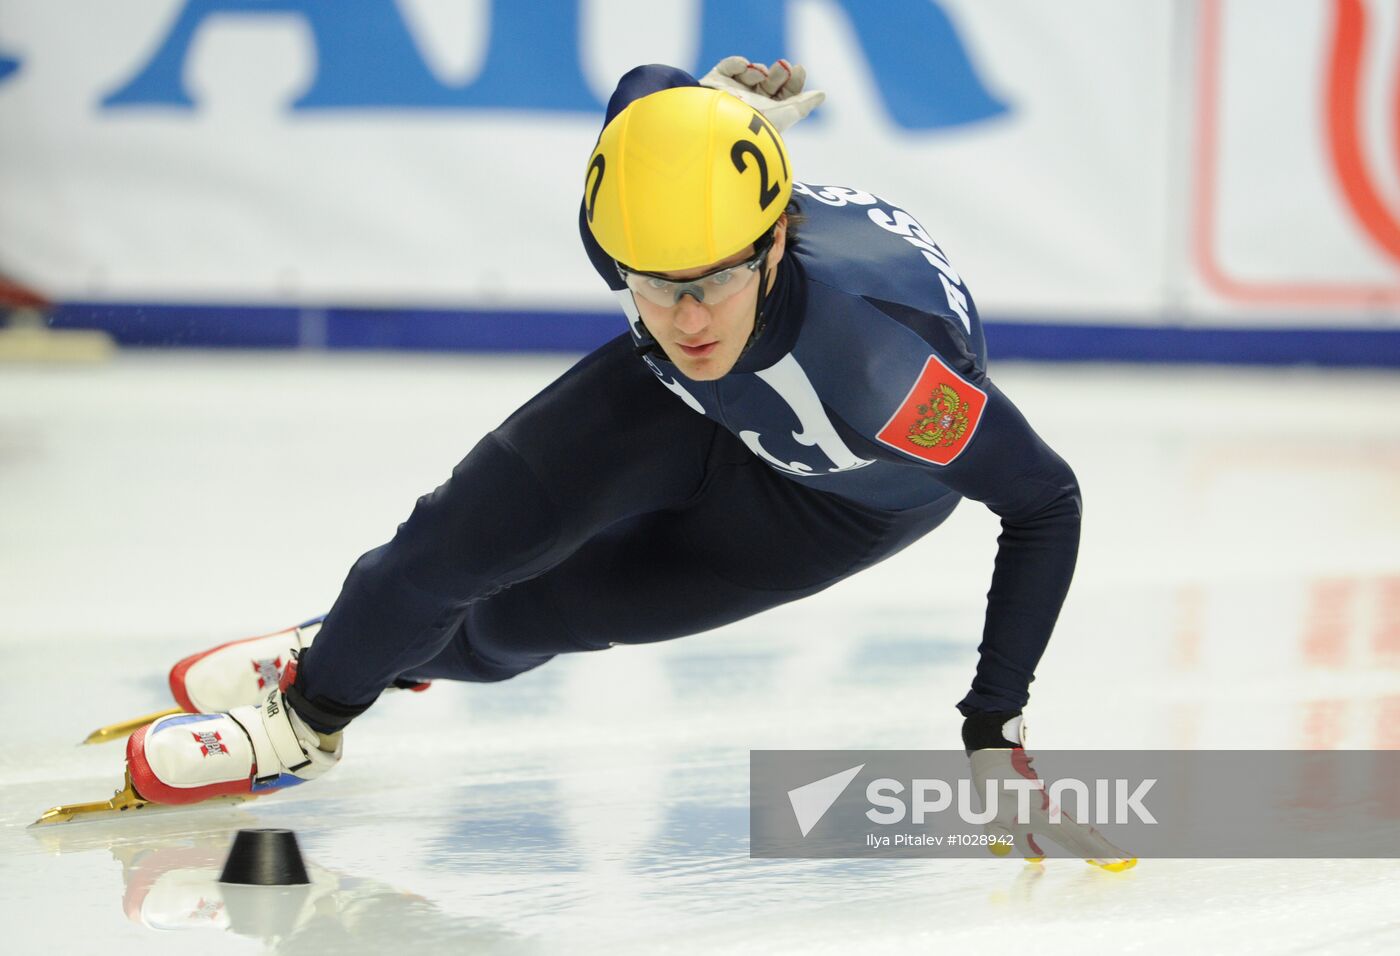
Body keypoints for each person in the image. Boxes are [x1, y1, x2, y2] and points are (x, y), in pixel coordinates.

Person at [123, 59, 1123, 865]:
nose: (686, 318)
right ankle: (306, 714)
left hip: (833, 505)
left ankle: (370, 648)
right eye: (653, 285)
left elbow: (1044, 501)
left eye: (713, 282)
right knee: (445, 543)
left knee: (536, 614)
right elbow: (644, 88)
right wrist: (706, 103)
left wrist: (991, 725)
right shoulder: (635, 223)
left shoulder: (883, 369)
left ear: (773, 241)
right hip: (676, 409)